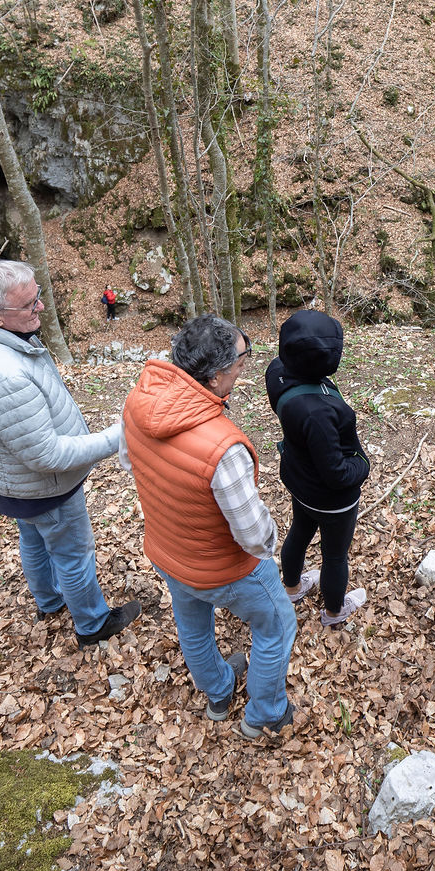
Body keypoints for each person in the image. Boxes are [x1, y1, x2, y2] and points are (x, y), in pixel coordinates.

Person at [0, 260, 142, 648]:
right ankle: (92, 623)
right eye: (30, 305)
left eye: (38, 296)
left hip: (7, 483)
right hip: (40, 486)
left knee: (33, 537)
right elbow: (47, 455)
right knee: (72, 554)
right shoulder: (5, 377)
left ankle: (48, 602)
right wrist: (118, 437)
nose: (41, 308)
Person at [123, 314, 298, 739]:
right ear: (217, 374)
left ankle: (218, 692)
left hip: (168, 552)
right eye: (242, 361)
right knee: (277, 625)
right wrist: (273, 544)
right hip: (225, 569)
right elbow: (254, 536)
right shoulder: (222, 447)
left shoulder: (137, 403)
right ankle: (265, 714)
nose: (245, 367)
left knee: (193, 625)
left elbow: (133, 464)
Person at [266, 309, 370, 626]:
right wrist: (362, 465)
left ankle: (293, 587)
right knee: (335, 555)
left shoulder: (276, 372)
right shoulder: (318, 413)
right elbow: (337, 474)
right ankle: (334, 613)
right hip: (331, 499)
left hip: (300, 480)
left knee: (300, 530)